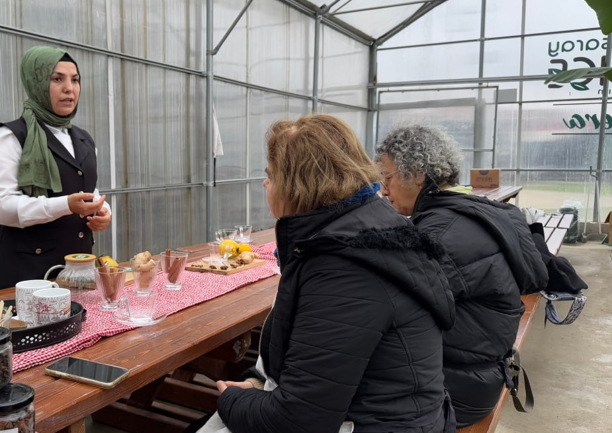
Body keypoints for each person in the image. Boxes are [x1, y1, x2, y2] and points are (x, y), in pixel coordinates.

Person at [199, 115, 456, 433]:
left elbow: (298, 421)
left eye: (271, 175)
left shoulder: (344, 268)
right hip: (399, 414)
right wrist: (258, 381)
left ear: (296, 185)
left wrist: (229, 399)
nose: (266, 184)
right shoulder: (368, 231)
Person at [375, 126, 548, 426]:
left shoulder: (440, 233)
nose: (383, 190)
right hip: (481, 374)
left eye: (387, 179)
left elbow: (385, 309)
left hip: (455, 391)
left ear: (417, 173)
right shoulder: (470, 212)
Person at [0, 46, 111, 292]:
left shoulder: (84, 139)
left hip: (76, 273)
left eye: (75, 80)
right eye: (57, 79)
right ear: (37, 83)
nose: (69, 88)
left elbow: (88, 189)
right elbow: (0, 207)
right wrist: (65, 206)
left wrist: (103, 210)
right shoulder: (11, 137)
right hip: (25, 277)